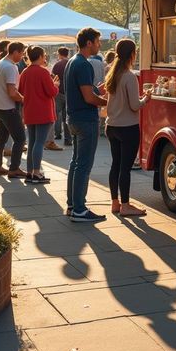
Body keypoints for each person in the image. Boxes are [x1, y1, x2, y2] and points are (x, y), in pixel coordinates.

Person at [65, 27, 108, 222]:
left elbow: (86, 91)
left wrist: (97, 90)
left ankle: (73, 205)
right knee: (83, 164)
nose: (100, 45)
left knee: (76, 163)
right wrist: (107, 102)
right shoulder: (84, 64)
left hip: (74, 118)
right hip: (85, 119)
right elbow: (89, 98)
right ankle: (80, 209)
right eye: (98, 41)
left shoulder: (73, 62)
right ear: (89, 43)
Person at [104, 38, 150, 217]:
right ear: (132, 54)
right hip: (128, 127)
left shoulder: (112, 73)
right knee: (125, 168)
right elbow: (134, 105)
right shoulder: (129, 76)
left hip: (112, 125)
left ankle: (115, 202)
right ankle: (126, 205)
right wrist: (146, 98)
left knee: (115, 165)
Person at [19, 45, 59, 184]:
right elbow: (51, 92)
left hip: (30, 110)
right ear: (41, 56)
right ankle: (36, 172)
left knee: (32, 142)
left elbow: (21, 91)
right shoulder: (43, 72)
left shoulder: (25, 72)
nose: (45, 58)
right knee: (39, 143)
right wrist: (56, 85)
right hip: (43, 111)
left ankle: (30, 172)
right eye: (44, 56)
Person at [0, 41, 27, 179]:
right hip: (8, 107)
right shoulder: (11, 67)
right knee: (20, 138)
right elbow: (12, 92)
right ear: (16, 52)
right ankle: (14, 168)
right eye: (22, 53)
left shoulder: (0, 63)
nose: (22, 56)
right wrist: (24, 99)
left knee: (1, 138)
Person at [51, 47, 71, 145]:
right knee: (66, 116)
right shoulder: (71, 63)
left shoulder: (57, 65)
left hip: (58, 92)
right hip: (69, 92)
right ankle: (68, 139)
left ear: (59, 54)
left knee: (55, 114)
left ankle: (57, 134)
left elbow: (53, 77)